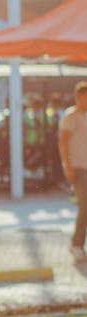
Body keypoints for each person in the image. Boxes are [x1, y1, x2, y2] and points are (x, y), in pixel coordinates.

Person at [58, 81, 87, 263]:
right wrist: (67, 166)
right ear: (78, 97)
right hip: (77, 167)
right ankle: (76, 244)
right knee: (84, 205)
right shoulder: (70, 117)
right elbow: (63, 143)